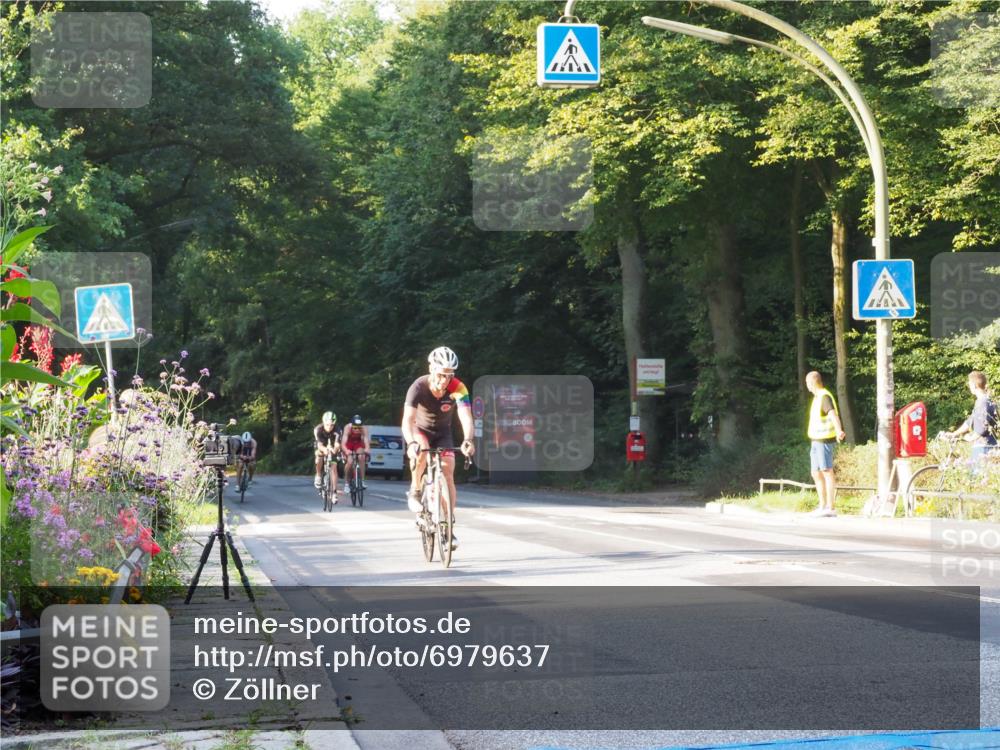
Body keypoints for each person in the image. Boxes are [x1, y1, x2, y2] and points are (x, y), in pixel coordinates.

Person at [402, 346, 475, 549]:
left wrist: (468, 439)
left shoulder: (458, 387)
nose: (445, 380)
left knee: (448, 468)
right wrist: (411, 443)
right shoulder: (418, 387)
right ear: (432, 368)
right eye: (441, 374)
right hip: (420, 430)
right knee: (422, 452)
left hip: (443, 432)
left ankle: (448, 526)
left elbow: (465, 417)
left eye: (449, 375)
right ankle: (416, 490)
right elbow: (407, 421)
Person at [805, 371, 846, 517]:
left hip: (824, 441)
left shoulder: (824, 397)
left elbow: (833, 415)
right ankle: (822, 506)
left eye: (807, 383)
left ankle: (831, 507)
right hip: (815, 440)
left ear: (812, 383)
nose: (807, 386)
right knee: (815, 472)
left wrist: (839, 430)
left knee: (827, 471)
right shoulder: (817, 398)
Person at [943, 370, 998, 470]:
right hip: (980, 446)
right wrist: (954, 433)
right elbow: (969, 422)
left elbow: (982, 428)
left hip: (985, 447)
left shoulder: (984, 402)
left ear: (974, 385)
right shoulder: (980, 401)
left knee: (978, 479)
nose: (969, 386)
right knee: (973, 476)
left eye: (970, 384)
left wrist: (970, 438)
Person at [314, 411, 342, 503]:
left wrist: (334, 451)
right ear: (323, 422)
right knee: (319, 456)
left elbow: (337, 444)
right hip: (322, 444)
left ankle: (334, 493)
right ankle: (318, 475)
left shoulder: (338, 429)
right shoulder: (318, 429)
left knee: (334, 468)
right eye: (327, 425)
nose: (329, 427)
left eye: (332, 425)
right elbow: (320, 445)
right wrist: (325, 450)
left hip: (332, 446)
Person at [342, 414, 370, 493]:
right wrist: (346, 450)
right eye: (355, 428)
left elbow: (365, 439)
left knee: (362, 457)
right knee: (350, 462)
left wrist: (367, 448)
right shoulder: (347, 428)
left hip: (357, 443)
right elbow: (343, 443)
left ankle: (362, 480)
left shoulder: (364, 428)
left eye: (359, 427)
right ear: (352, 425)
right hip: (349, 444)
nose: (357, 429)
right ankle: (347, 484)